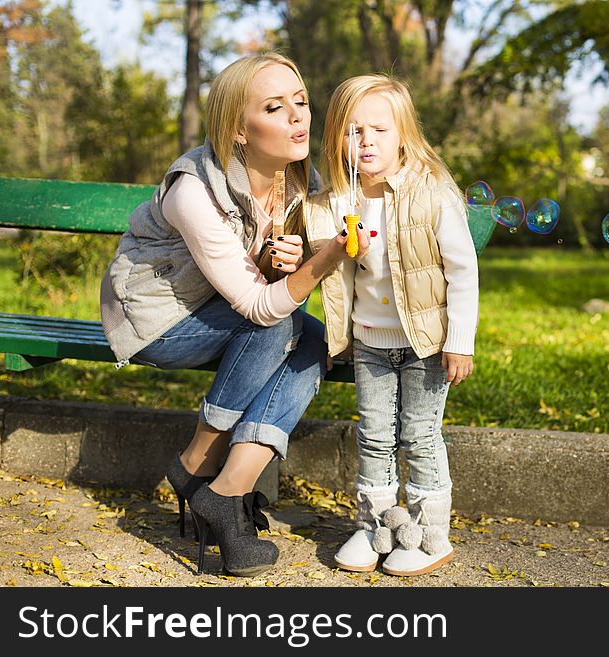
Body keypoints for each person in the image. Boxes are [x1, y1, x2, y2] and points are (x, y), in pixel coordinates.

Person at [99, 53, 368, 577]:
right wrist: (320, 260)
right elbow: (260, 307)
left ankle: (228, 490)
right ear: (238, 131)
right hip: (157, 321)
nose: (298, 117)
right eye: (274, 107)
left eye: (301, 101)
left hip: (223, 309)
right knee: (279, 324)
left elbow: (268, 286)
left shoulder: (296, 182)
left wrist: (283, 261)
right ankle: (198, 461)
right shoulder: (192, 191)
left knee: (309, 341)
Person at [305, 74, 479, 577]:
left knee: (420, 437)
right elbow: (332, 273)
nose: (365, 142)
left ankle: (428, 536)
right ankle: (377, 528)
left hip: (425, 343)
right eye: (352, 130)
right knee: (375, 438)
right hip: (370, 343)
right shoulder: (337, 201)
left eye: (378, 129)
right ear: (337, 136)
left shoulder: (432, 194)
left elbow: (462, 272)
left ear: (403, 133)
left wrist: (459, 341)